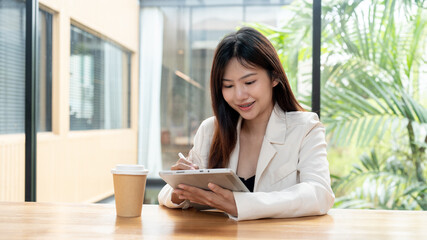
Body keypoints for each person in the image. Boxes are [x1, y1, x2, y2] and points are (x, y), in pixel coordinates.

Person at [158, 27, 335, 221]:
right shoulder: (211, 130)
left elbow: (319, 193)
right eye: (228, 86)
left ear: (274, 77)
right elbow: (166, 195)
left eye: (249, 82)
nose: (240, 95)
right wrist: (180, 189)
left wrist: (239, 204)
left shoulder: (305, 127)